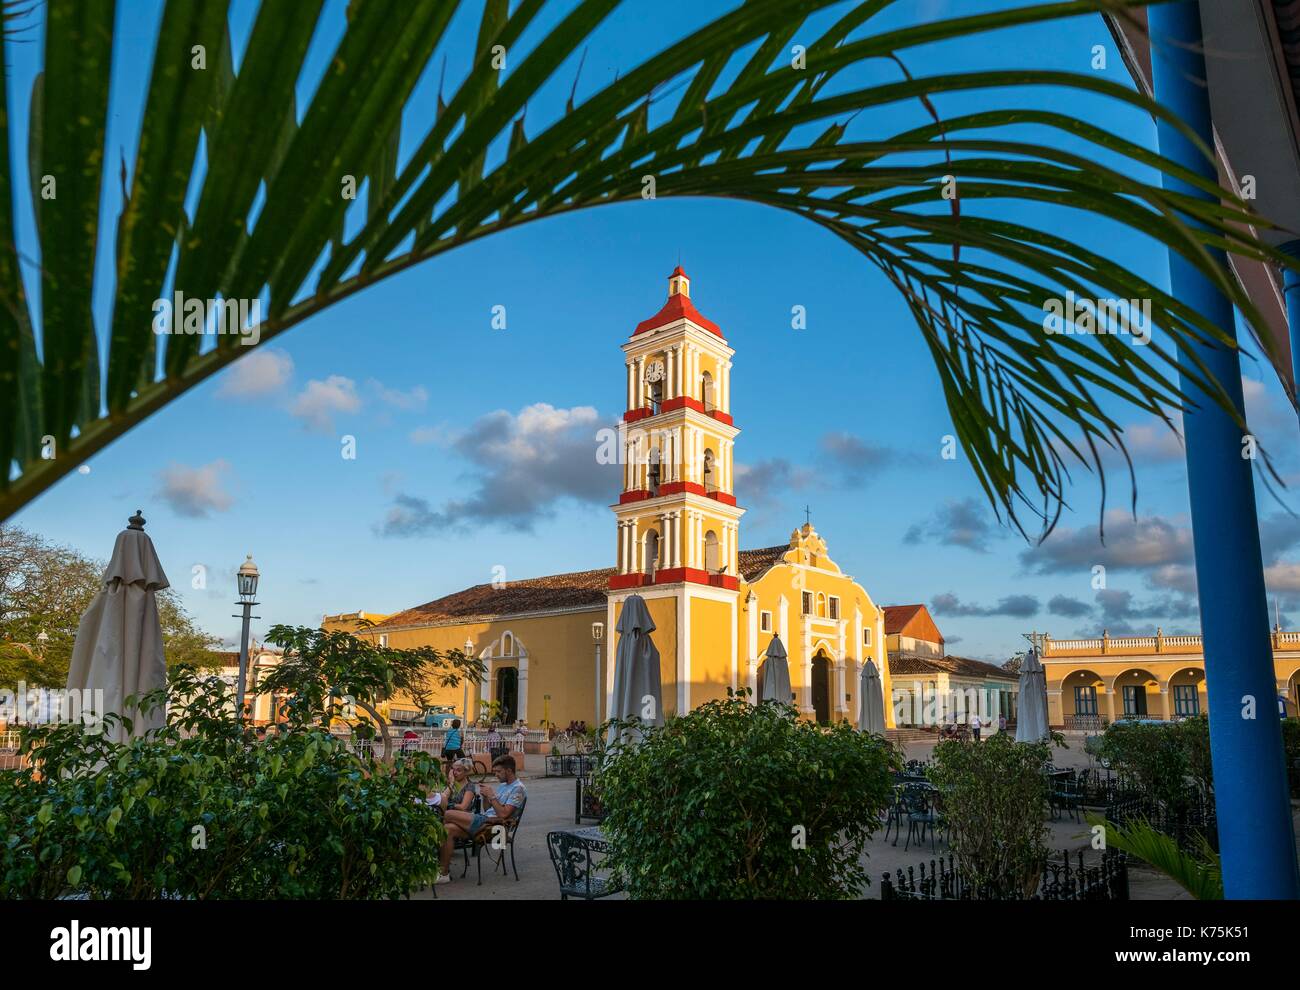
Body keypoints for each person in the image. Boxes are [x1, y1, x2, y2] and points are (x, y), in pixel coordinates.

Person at [436, 755, 527, 884]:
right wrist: (486, 797)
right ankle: (444, 873)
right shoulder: (503, 785)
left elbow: (503, 815)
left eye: (498, 771)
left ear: (509, 770)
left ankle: (435, 854)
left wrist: (492, 796)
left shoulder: (518, 789)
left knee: (448, 814)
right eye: (495, 771)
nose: (496, 775)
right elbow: (487, 809)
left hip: (496, 829)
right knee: (447, 829)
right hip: (485, 821)